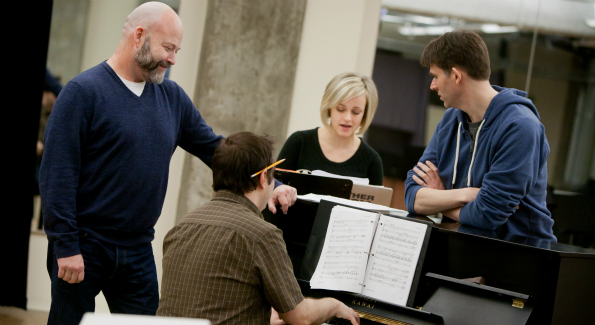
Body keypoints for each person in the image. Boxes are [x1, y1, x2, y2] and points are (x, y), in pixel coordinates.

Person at [39, 2, 296, 325]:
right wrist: (65, 246)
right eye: (169, 48)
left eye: (177, 50)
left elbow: (218, 150)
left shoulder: (171, 98)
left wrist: (269, 181)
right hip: (83, 245)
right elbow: (57, 176)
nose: (173, 58)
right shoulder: (82, 93)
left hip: (137, 248)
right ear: (139, 36)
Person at [157, 132, 360, 325]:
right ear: (264, 178)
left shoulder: (180, 228)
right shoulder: (261, 235)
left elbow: (209, 304)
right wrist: (334, 305)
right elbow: (301, 317)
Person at [404, 30, 555, 241]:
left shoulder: (521, 127)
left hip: (518, 254)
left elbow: (487, 215)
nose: (433, 85)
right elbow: (411, 196)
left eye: (436, 76)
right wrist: (465, 195)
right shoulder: (450, 121)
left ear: (456, 76)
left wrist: (439, 201)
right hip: (460, 243)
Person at [277, 72, 384, 185]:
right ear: (329, 108)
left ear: (365, 114)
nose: (347, 118)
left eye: (356, 112)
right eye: (340, 109)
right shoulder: (299, 142)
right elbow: (272, 190)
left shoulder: (372, 161)